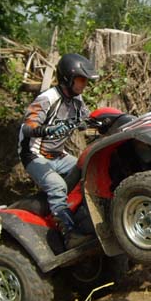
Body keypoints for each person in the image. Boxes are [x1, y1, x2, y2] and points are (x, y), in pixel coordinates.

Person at [18, 53, 98, 250]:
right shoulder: (47, 99)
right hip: (34, 155)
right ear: (67, 78)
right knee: (57, 186)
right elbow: (27, 127)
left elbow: (88, 121)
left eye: (85, 80)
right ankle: (70, 234)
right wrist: (48, 129)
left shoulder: (77, 100)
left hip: (58, 155)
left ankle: (87, 219)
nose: (83, 84)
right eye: (80, 80)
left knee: (88, 168)